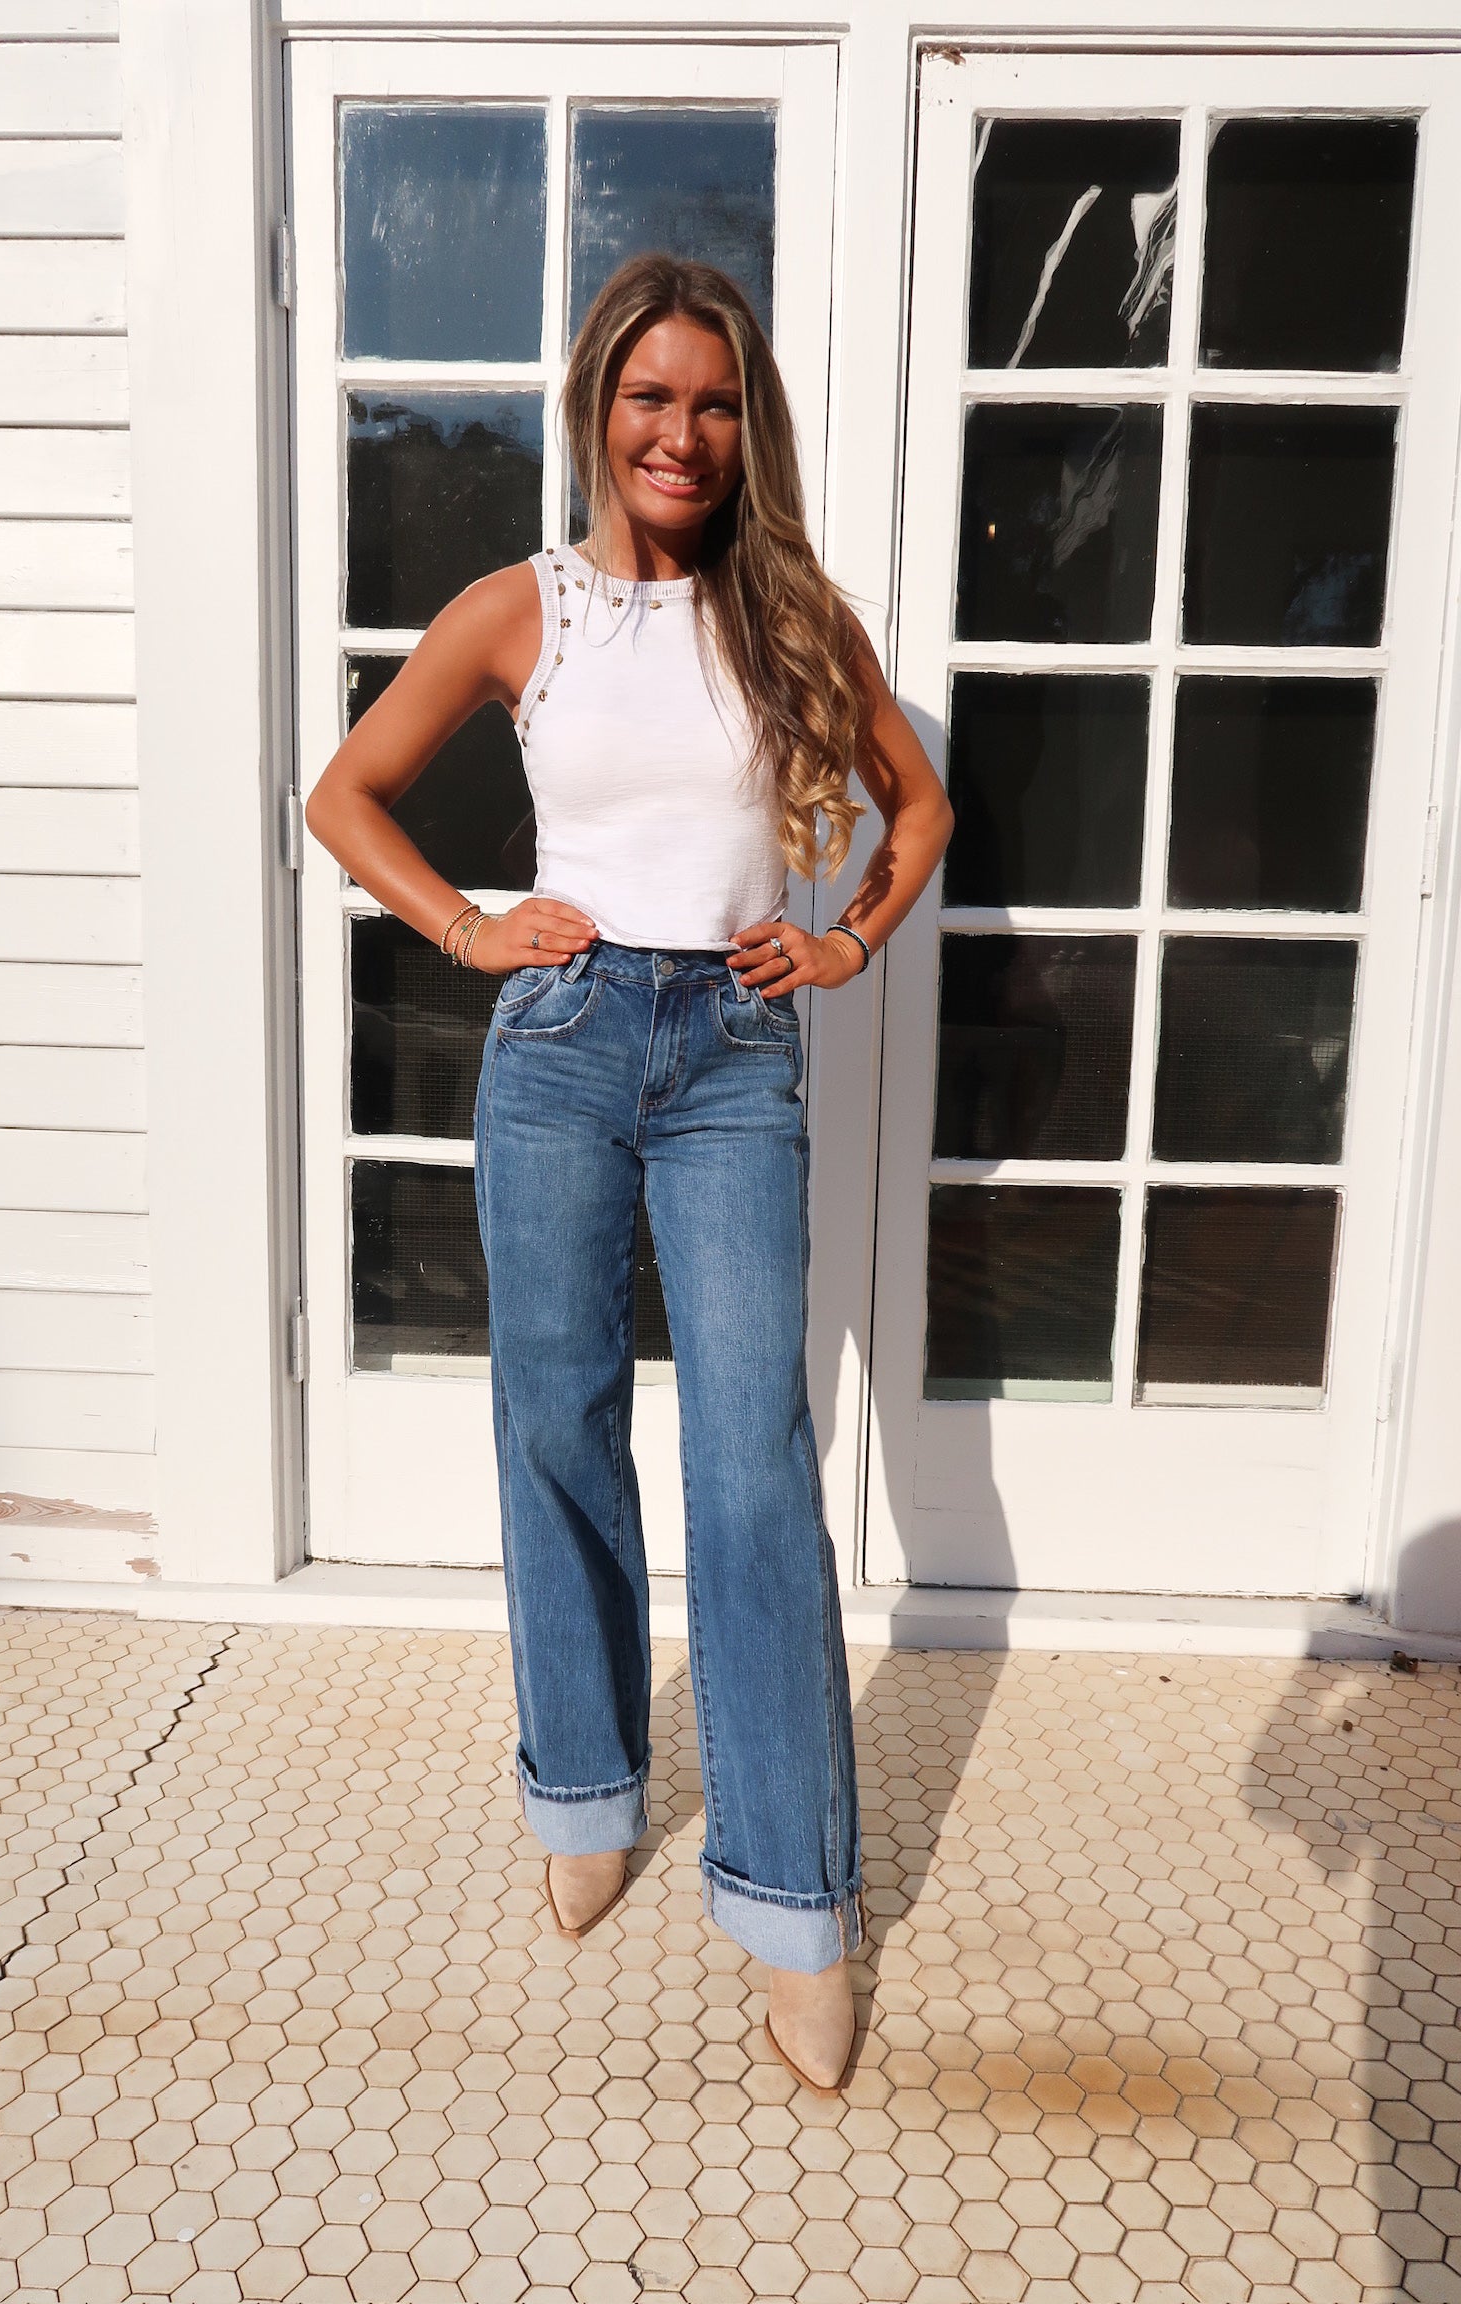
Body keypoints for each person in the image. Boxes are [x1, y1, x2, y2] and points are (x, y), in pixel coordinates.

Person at [306, 252, 953, 2096]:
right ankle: (586, 1789)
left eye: (718, 402)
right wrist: (469, 926)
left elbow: (918, 807)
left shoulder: (798, 617)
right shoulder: (526, 611)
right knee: (556, 1421)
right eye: (653, 397)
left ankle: (793, 1904)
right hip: (566, 1041)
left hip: (739, 1056)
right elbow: (344, 795)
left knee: (753, 1464)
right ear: (598, 403)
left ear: (750, 427)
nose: (684, 433)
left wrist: (844, 941)